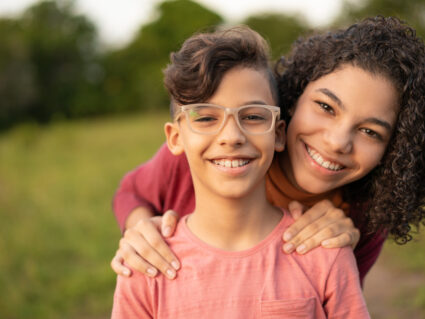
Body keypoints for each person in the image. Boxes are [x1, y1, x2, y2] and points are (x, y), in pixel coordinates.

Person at [111, 16, 425, 283]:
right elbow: (131, 192)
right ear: (295, 99)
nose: (336, 142)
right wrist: (140, 231)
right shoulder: (211, 155)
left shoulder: (364, 218)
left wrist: (341, 257)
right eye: (326, 107)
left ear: (394, 149)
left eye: (370, 131)